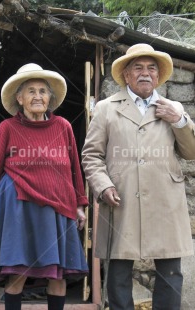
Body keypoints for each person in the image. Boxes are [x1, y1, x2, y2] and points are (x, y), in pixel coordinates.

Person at [82, 43, 195, 310]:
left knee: (170, 273)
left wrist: (180, 121)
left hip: (165, 200)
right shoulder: (106, 108)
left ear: (158, 76)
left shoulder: (173, 108)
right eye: (138, 68)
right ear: (127, 75)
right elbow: (91, 156)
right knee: (119, 274)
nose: (145, 73)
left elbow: (191, 152)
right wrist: (103, 185)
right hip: (121, 198)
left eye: (151, 68)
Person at [0, 63, 89, 310]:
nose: (37, 96)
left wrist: (79, 204)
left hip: (58, 206)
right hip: (17, 205)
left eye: (43, 91)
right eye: (31, 91)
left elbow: (75, 167)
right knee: (18, 269)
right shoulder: (8, 128)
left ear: (50, 98)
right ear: (19, 98)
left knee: (57, 272)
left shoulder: (63, 126)